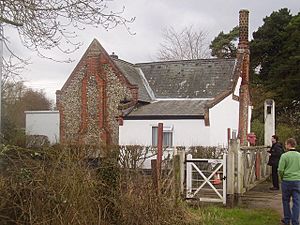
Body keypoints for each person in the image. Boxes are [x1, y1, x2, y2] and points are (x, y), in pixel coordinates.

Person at [278, 138, 300, 225]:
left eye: (286, 144)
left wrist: (282, 177)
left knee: (286, 201)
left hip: (287, 180)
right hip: (297, 181)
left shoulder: (284, 156)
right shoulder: (299, 155)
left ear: (289, 145)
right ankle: (295, 221)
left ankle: (287, 219)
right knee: (297, 202)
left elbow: (280, 169)